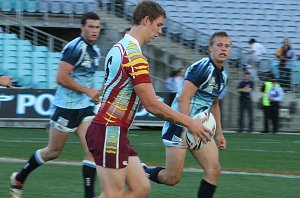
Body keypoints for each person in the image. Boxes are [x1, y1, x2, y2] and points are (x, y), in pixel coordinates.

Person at [85, 1, 213, 198]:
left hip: (114, 130)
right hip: (109, 130)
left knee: (141, 188)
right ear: (146, 20)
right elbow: (152, 104)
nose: (160, 31)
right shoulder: (134, 55)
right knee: (114, 194)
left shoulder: (118, 47)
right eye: (159, 24)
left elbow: (110, 86)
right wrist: (190, 123)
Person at [9, 12, 102, 198]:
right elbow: (61, 78)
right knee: (52, 152)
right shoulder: (74, 48)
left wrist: (93, 93)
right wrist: (87, 91)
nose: (94, 31)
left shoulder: (96, 51)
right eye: (90, 27)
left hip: (84, 108)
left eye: (97, 27)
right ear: (82, 28)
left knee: (93, 150)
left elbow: (86, 78)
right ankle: (19, 178)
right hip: (65, 108)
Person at [143, 31, 230, 198]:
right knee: (172, 178)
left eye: (227, 46)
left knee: (213, 170)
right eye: (219, 45)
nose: (223, 49)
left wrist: (219, 133)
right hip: (179, 126)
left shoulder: (223, 76)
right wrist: (185, 129)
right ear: (210, 48)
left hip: (200, 128)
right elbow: (184, 99)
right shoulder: (202, 68)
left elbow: (215, 103)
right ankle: (142, 171)